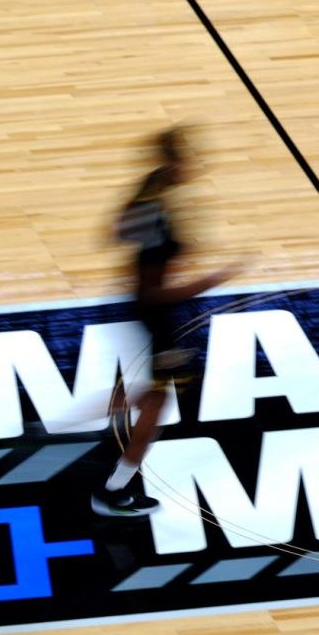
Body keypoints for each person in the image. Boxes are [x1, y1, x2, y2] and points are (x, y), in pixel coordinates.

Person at [92, 127, 243, 518]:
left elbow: (113, 234)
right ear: (176, 161)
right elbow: (152, 294)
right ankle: (112, 490)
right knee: (156, 408)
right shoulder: (155, 213)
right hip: (155, 315)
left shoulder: (153, 187)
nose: (196, 164)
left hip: (150, 311)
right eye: (191, 156)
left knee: (152, 398)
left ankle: (73, 426)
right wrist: (211, 281)